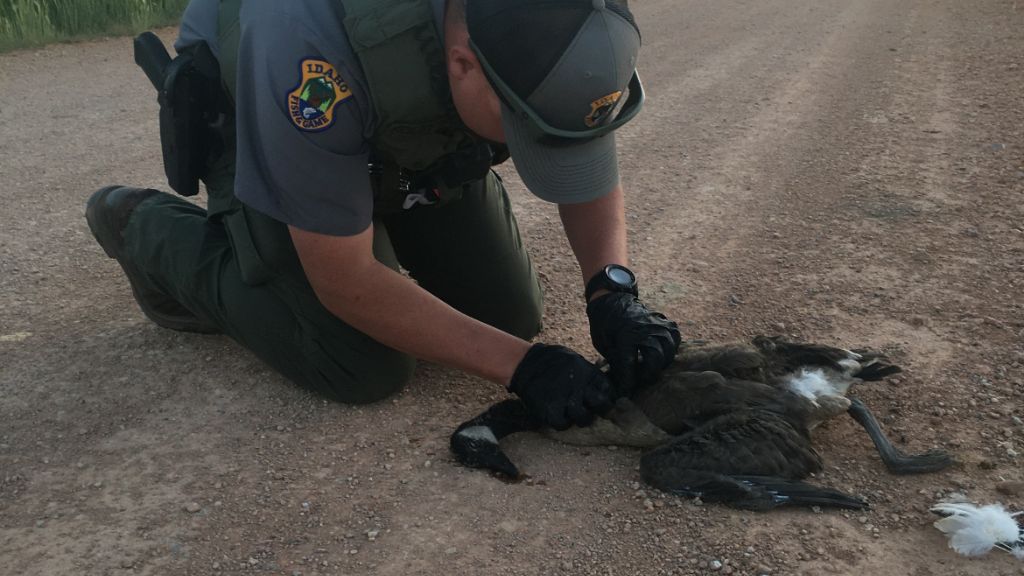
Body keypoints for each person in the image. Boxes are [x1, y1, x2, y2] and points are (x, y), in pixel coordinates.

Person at [85, 0, 681, 431]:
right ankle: (143, 228)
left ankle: (369, 207)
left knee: (510, 315)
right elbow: (343, 280)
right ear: (463, 63)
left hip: (400, 129)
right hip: (258, 117)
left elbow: (580, 137)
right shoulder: (303, 45)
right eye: (528, 133)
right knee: (361, 363)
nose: (542, 152)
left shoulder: (559, 21)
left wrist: (612, 287)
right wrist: (523, 368)